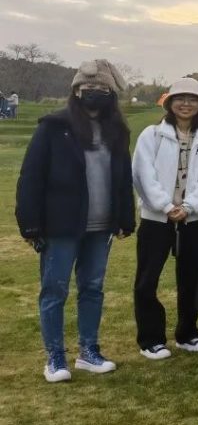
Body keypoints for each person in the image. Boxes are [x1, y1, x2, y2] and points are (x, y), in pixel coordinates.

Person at [16, 59, 135, 382]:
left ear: (111, 94)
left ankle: (88, 351)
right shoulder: (53, 127)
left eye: (101, 89)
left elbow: (123, 178)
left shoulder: (117, 131)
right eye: (87, 89)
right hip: (61, 226)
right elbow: (31, 177)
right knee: (54, 289)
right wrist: (30, 224)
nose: (94, 94)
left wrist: (126, 217)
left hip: (100, 225)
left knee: (93, 288)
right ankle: (55, 356)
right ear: (76, 91)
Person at [132, 77, 198, 360]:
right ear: (170, 103)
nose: (186, 104)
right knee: (148, 279)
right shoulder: (152, 135)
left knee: (191, 278)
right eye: (180, 99)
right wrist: (165, 206)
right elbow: (144, 175)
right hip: (156, 219)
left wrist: (190, 206)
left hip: (193, 220)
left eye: (192, 100)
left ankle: (188, 333)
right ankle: (151, 338)